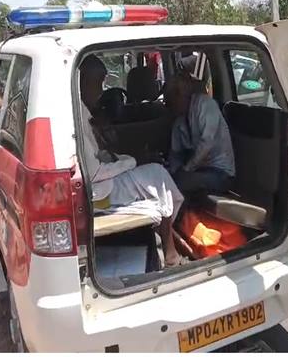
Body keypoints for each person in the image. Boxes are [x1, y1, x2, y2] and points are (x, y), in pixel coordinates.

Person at [78, 54, 186, 267]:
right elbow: (95, 172)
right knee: (157, 175)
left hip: (101, 182)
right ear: (81, 82)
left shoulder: (83, 112)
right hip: (98, 192)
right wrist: (134, 161)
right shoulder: (78, 116)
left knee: (154, 173)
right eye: (97, 84)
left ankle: (168, 243)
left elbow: (97, 157)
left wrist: (124, 158)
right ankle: (170, 250)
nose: (101, 92)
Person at [166, 66, 235, 197]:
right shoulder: (179, 122)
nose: (170, 106)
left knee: (180, 183)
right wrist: (172, 170)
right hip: (199, 170)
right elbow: (175, 153)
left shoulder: (205, 105)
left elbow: (207, 144)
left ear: (183, 96)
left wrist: (187, 169)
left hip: (220, 172)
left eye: (172, 100)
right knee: (169, 180)